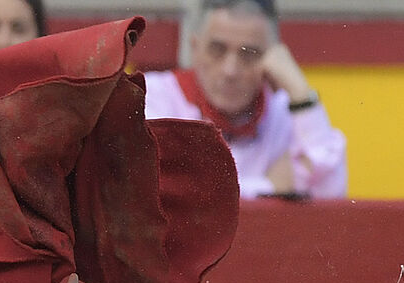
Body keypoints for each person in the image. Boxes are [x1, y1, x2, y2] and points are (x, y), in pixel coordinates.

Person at [141, 0, 345, 199]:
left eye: (249, 54)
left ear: (272, 58)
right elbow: (171, 197)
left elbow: (332, 196)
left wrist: (301, 93)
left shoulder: (285, 109)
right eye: (217, 50)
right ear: (195, 48)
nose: (230, 70)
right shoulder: (152, 97)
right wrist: (271, 187)